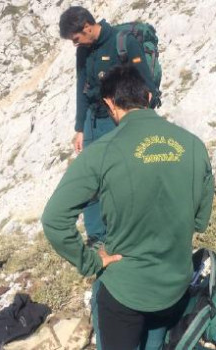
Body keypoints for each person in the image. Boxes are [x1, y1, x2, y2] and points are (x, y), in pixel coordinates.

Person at [41, 65, 214, 350]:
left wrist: (91, 261)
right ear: (147, 96)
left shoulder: (102, 152)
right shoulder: (194, 146)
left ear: (109, 103)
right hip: (175, 283)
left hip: (126, 291)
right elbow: (200, 221)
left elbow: (54, 220)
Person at [59, 6, 159, 247]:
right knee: (91, 178)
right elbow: (81, 88)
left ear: (87, 27)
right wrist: (79, 128)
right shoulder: (83, 52)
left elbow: (145, 83)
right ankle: (97, 238)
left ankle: (136, 228)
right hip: (93, 121)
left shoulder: (123, 42)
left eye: (76, 38)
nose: (75, 44)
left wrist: (142, 121)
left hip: (119, 121)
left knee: (124, 175)